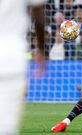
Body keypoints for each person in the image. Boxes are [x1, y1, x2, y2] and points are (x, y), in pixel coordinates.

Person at [0, 1, 46, 134]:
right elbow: (38, 13)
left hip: (10, 58)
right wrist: (41, 50)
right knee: (6, 128)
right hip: (10, 57)